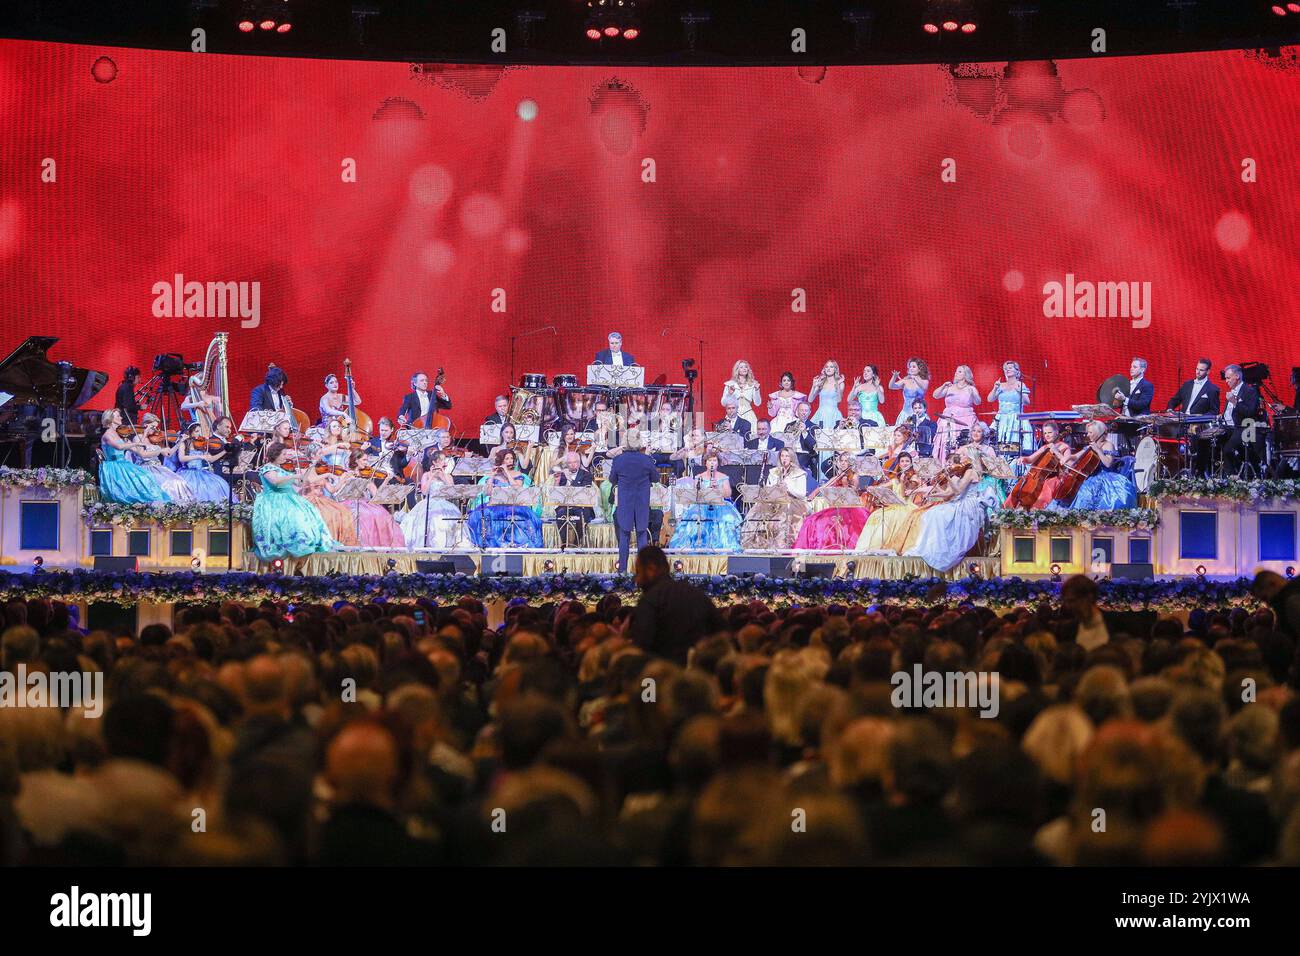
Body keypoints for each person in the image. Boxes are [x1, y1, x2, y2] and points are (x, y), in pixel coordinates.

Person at [628, 545, 724, 665]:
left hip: (661, 675)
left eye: (638, 572)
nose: (636, 579)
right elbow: (722, 635)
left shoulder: (650, 601)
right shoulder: (696, 594)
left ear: (651, 569)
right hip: (696, 675)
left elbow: (642, 647)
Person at [904, 448, 991, 573]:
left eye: (962, 455)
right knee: (929, 515)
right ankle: (931, 547)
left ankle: (941, 551)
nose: (959, 456)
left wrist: (949, 477)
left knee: (937, 515)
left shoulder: (971, 471)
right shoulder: (965, 470)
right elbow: (948, 493)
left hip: (967, 505)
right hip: (959, 501)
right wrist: (934, 492)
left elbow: (959, 490)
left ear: (970, 457)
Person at [252, 442, 336, 561]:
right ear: (275, 454)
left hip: (290, 497)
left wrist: (310, 468)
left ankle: (307, 542)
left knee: (308, 515)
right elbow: (275, 481)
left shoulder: (282, 469)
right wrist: (293, 476)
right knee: (294, 518)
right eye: (284, 454)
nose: (286, 457)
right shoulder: (267, 467)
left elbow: (300, 483)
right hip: (275, 500)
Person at [467, 448, 543, 548]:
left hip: (513, 505)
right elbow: (488, 493)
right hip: (494, 505)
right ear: (501, 460)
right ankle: (491, 543)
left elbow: (517, 489)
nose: (510, 460)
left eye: (511, 458)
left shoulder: (517, 474)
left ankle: (517, 543)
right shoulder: (495, 475)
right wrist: (492, 476)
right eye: (507, 458)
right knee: (479, 515)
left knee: (524, 518)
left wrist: (506, 472)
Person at [794, 455, 871, 551]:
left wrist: (845, 483)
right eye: (841, 461)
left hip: (849, 507)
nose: (843, 463)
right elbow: (823, 487)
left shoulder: (854, 475)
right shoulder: (837, 476)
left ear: (850, 463)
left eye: (846, 461)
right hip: (836, 507)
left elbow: (853, 492)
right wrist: (812, 495)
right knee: (812, 520)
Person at [669, 451, 742, 551]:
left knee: (727, 520)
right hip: (702, 506)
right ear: (705, 463)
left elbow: (728, 494)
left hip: (719, 505)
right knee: (694, 519)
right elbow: (695, 494)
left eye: (714, 460)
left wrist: (718, 488)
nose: (712, 463)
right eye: (710, 460)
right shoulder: (699, 477)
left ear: (718, 463)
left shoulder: (723, 477)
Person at [97, 409, 171, 505]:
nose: (121, 417)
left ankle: (153, 504)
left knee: (146, 476)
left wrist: (144, 435)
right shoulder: (107, 435)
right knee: (132, 487)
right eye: (118, 416)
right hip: (114, 467)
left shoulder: (121, 435)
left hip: (123, 464)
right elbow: (119, 447)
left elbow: (140, 453)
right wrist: (136, 443)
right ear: (110, 418)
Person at [607, 433, 658, 573]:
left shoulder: (618, 460)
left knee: (624, 535)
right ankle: (644, 570)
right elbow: (655, 478)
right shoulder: (646, 459)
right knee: (642, 535)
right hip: (642, 502)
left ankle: (622, 570)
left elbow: (612, 479)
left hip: (625, 502)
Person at [401, 451, 466, 550]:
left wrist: (443, 475)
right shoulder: (426, 475)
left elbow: (451, 491)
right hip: (429, 503)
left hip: (444, 503)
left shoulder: (448, 475)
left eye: (445, 459)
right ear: (434, 462)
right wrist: (431, 476)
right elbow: (424, 491)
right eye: (442, 460)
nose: (444, 462)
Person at [1066, 420, 1137, 511]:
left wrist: (1098, 450)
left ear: (1098, 432)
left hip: (1107, 477)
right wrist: (1067, 458)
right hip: (1092, 477)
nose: (1087, 435)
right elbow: (1076, 456)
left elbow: (1108, 463)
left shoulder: (1108, 445)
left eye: (1090, 432)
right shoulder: (1090, 446)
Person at [1007, 421, 1074, 509]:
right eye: (1045, 433)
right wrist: (1023, 459)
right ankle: (1011, 511)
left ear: (1057, 432)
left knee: (1046, 489)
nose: (1047, 435)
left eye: (1050, 432)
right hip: (1040, 477)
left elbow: (1069, 465)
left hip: (1055, 478)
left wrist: (1056, 451)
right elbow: (1030, 459)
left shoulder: (1064, 447)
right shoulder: (1045, 447)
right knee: (1019, 487)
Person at [174, 422, 234, 503]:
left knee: (218, 484)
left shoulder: (201, 444)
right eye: (197, 431)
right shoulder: (183, 443)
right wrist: (199, 456)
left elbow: (211, 459)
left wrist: (225, 451)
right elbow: (181, 458)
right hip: (187, 472)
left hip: (201, 472)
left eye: (200, 431)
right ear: (189, 432)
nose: (199, 434)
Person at [932, 365, 980, 464]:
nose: (956, 373)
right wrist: (943, 386)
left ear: (965, 374)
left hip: (965, 420)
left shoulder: (970, 388)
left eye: (959, 372)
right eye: (956, 371)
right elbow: (935, 395)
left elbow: (978, 402)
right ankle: (945, 464)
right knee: (946, 443)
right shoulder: (950, 387)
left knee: (962, 443)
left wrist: (974, 393)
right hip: (948, 421)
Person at [1220, 363, 1262, 475]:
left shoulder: (1250, 391)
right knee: (1210, 441)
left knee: (1228, 449)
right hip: (1227, 427)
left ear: (1237, 376)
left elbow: (1250, 412)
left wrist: (1234, 402)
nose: (1226, 381)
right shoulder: (1231, 392)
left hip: (1243, 427)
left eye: (1228, 378)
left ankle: (1231, 476)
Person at [551, 450, 595, 547]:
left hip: (581, 505)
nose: (572, 465)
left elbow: (583, 493)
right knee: (560, 513)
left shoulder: (586, 475)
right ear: (566, 464)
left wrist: (570, 479)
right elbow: (555, 495)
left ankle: (577, 543)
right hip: (566, 505)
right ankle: (564, 543)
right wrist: (557, 482)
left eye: (575, 462)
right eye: (570, 463)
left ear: (579, 463)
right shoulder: (562, 474)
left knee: (581, 516)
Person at [989, 361, 1032, 453]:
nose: (1008, 369)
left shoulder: (1020, 384)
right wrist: (995, 388)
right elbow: (990, 399)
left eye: (1011, 368)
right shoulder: (1001, 385)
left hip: (1016, 419)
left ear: (1017, 371)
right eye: (1006, 368)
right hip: (1002, 418)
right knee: (999, 445)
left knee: (1014, 446)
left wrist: (1019, 391)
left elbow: (1027, 402)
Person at [722, 360, 761, 432]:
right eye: (741, 367)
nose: (744, 369)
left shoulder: (753, 384)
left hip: (749, 415)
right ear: (737, 370)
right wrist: (729, 394)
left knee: (749, 438)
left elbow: (757, 403)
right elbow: (723, 403)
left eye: (746, 367)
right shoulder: (730, 384)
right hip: (733, 415)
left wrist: (757, 390)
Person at [889, 358, 930, 426]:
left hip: (919, 414)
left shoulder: (924, 381)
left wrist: (914, 378)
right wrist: (894, 377)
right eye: (910, 367)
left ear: (919, 369)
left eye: (914, 367)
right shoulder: (905, 381)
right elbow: (891, 386)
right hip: (906, 413)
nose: (911, 368)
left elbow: (924, 387)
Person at [809, 360, 845, 433]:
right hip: (821, 414)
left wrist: (837, 385)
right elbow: (810, 400)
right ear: (824, 369)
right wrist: (813, 386)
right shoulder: (821, 383)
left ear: (835, 369)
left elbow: (839, 400)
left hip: (833, 415)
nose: (828, 369)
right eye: (827, 367)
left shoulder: (840, 383)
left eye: (831, 367)